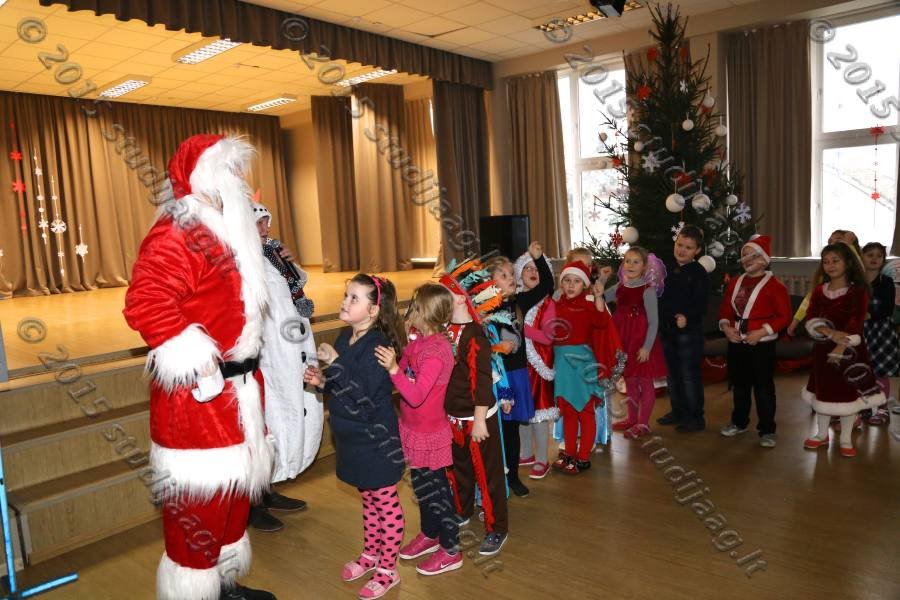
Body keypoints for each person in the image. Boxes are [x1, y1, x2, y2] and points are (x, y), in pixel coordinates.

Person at [123, 134, 276, 600]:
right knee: (199, 512)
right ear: (204, 178)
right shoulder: (180, 232)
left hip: (239, 397)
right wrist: (199, 363)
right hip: (199, 403)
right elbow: (145, 302)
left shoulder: (231, 232)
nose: (238, 183)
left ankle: (223, 586)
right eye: (228, 172)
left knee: (232, 504)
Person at [303, 275, 406, 599]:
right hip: (352, 439)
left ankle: (388, 570)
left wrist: (335, 364)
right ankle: (371, 554)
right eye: (346, 295)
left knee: (386, 503)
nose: (345, 302)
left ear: (373, 311)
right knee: (369, 500)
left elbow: (363, 395)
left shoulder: (379, 346)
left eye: (354, 298)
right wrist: (322, 382)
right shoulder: (344, 336)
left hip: (377, 440)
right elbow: (341, 387)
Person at [374, 283, 461, 575]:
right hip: (413, 428)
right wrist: (398, 356)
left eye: (414, 306)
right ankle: (430, 533)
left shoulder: (436, 351)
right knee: (423, 487)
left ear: (426, 313)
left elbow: (415, 395)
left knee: (438, 492)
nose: (408, 311)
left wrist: (394, 369)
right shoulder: (421, 341)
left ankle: (451, 548)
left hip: (430, 434)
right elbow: (406, 362)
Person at [249, 198, 322, 532]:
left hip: (292, 346)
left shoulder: (272, 252)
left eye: (267, 220)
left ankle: (268, 490)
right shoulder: (241, 258)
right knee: (267, 418)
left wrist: (288, 264)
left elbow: (294, 290)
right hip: (268, 352)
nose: (266, 227)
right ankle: (253, 502)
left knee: (284, 413)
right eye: (258, 222)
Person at [439, 257, 510, 556]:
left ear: (460, 299)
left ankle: (497, 528)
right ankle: (463, 510)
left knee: (488, 474)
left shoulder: (475, 336)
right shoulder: (444, 330)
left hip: (478, 418)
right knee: (460, 471)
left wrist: (479, 420)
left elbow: (482, 382)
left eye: (444, 294)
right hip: (454, 417)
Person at [802, 243, 887, 456]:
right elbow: (811, 317)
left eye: (835, 260)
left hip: (850, 352)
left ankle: (846, 439)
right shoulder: (819, 291)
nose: (830, 265)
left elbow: (855, 322)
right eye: (825, 261)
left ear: (848, 263)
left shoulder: (858, 292)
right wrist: (828, 333)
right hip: (823, 350)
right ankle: (822, 434)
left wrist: (841, 346)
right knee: (824, 392)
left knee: (847, 395)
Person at [718, 235, 792, 448]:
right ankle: (739, 422)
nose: (747, 260)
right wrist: (726, 328)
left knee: (763, 388)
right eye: (744, 255)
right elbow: (726, 310)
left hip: (762, 345)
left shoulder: (775, 286)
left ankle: (767, 430)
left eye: (753, 255)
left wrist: (762, 332)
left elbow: (784, 316)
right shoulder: (735, 282)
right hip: (737, 342)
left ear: (764, 259)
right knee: (740, 386)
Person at [552, 261, 624, 474]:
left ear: (584, 284)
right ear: (561, 283)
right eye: (567, 280)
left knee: (585, 411)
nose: (571, 285)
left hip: (582, 364)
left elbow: (601, 322)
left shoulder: (589, 302)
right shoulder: (556, 305)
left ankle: (583, 457)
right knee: (568, 412)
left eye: (576, 281)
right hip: (562, 366)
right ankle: (569, 453)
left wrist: (599, 297)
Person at [602, 247, 667, 439]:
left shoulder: (648, 290)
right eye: (627, 261)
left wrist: (647, 347)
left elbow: (654, 321)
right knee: (630, 380)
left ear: (644, 266)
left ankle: (643, 423)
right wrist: (603, 279)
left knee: (645, 382)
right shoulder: (620, 286)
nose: (630, 265)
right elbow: (600, 297)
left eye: (636, 261)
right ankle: (631, 419)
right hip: (624, 340)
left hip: (641, 342)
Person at [658, 225, 709, 432]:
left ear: (697, 251)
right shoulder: (665, 269)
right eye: (679, 244)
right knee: (672, 374)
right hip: (667, 331)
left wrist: (687, 316)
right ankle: (677, 411)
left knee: (689, 376)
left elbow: (701, 304)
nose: (682, 250)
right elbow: (659, 297)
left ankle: (695, 417)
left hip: (688, 333)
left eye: (688, 248)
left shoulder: (699, 273)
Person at [514, 247, 557, 479]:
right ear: (519, 274)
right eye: (527, 268)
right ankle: (526, 453)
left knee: (539, 413)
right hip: (519, 366)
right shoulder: (515, 299)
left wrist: (523, 329)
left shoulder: (548, 303)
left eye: (537, 269)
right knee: (522, 412)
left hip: (538, 367)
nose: (532, 272)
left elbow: (548, 337)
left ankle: (542, 459)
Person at [861, 242, 898, 425]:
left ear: (883, 260)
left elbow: (888, 308)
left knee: (881, 371)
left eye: (879, 256)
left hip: (882, 332)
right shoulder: (856, 282)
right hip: (861, 331)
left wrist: (870, 314)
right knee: (862, 370)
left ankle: (882, 408)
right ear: (862, 258)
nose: (874, 258)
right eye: (870, 255)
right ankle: (865, 406)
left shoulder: (887, 282)